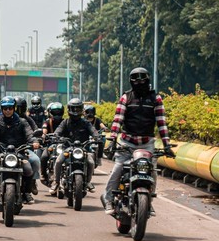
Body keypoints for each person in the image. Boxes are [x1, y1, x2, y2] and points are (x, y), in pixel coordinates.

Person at [103, 67, 174, 214]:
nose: (139, 81)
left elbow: (161, 123)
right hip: (127, 143)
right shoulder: (126, 97)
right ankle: (108, 198)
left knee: (152, 172)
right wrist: (112, 141)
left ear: (147, 79)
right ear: (131, 81)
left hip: (147, 144)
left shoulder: (156, 99)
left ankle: (148, 201)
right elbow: (117, 121)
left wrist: (167, 145)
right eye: (136, 78)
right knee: (117, 169)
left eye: (142, 78)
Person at [0, 96, 39, 205]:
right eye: (5, 108)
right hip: (0, 151)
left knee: (28, 168)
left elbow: (29, 133)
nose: (7, 110)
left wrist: (34, 141)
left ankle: (27, 192)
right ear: (2, 109)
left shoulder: (22, 122)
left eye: (10, 108)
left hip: (19, 151)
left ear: (14, 108)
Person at [50, 98, 99, 194]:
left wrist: (96, 137)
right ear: (69, 109)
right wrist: (55, 136)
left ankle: (88, 182)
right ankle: (55, 182)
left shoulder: (85, 123)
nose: (75, 111)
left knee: (91, 162)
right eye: (73, 109)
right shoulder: (65, 122)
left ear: (81, 109)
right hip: (67, 148)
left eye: (78, 109)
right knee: (59, 161)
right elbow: (58, 131)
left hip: (82, 149)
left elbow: (93, 130)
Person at [40, 102, 65, 185]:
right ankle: (43, 174)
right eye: (55, 113)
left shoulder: (64, 122)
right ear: (51, 113)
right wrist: (44, 135)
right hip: (51, 144)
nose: (57, 115)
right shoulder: (47, 122)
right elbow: (44, 129)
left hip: (62, 145)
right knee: (44, 157)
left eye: (59, 113)